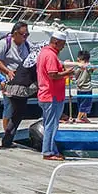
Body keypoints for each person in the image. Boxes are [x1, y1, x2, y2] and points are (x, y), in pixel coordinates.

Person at [1, 41, 45, 148]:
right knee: (17, 115)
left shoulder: (28, 59)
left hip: (12, 87)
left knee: (16, 114)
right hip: (21, 89)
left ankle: (7, 140)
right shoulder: (38, 61)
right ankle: (7, 140)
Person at [37, 31, 72, 160]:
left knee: (49, 124)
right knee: (51, 125)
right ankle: (48, 152)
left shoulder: (44, 52)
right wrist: (67, 73)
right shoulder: (51, 55)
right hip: (52, 95)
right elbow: (53, 74)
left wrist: (62, 67)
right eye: (62, 44)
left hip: (45, 93)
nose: (63, 47)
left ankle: (52, 150)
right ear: (56, 42)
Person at [0, 21, 31, 131]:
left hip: (21, 81)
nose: (25, 37)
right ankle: (7, 132)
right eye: (24, 35)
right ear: (15, 33)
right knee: (9, 106)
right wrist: (8, 71)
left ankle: (12, 129)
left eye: (27, 35)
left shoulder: (26, 45)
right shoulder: (5, 43)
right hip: (8, 80)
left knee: (19, 107)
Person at [72, 50, 98, 123]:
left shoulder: (81, 67)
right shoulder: (84, 66)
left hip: (80, 88)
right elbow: (93, 68)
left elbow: (92, 68)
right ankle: (79, 118)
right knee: (84, 104)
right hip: (86, 89)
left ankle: (84, 117)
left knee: (82, 104)